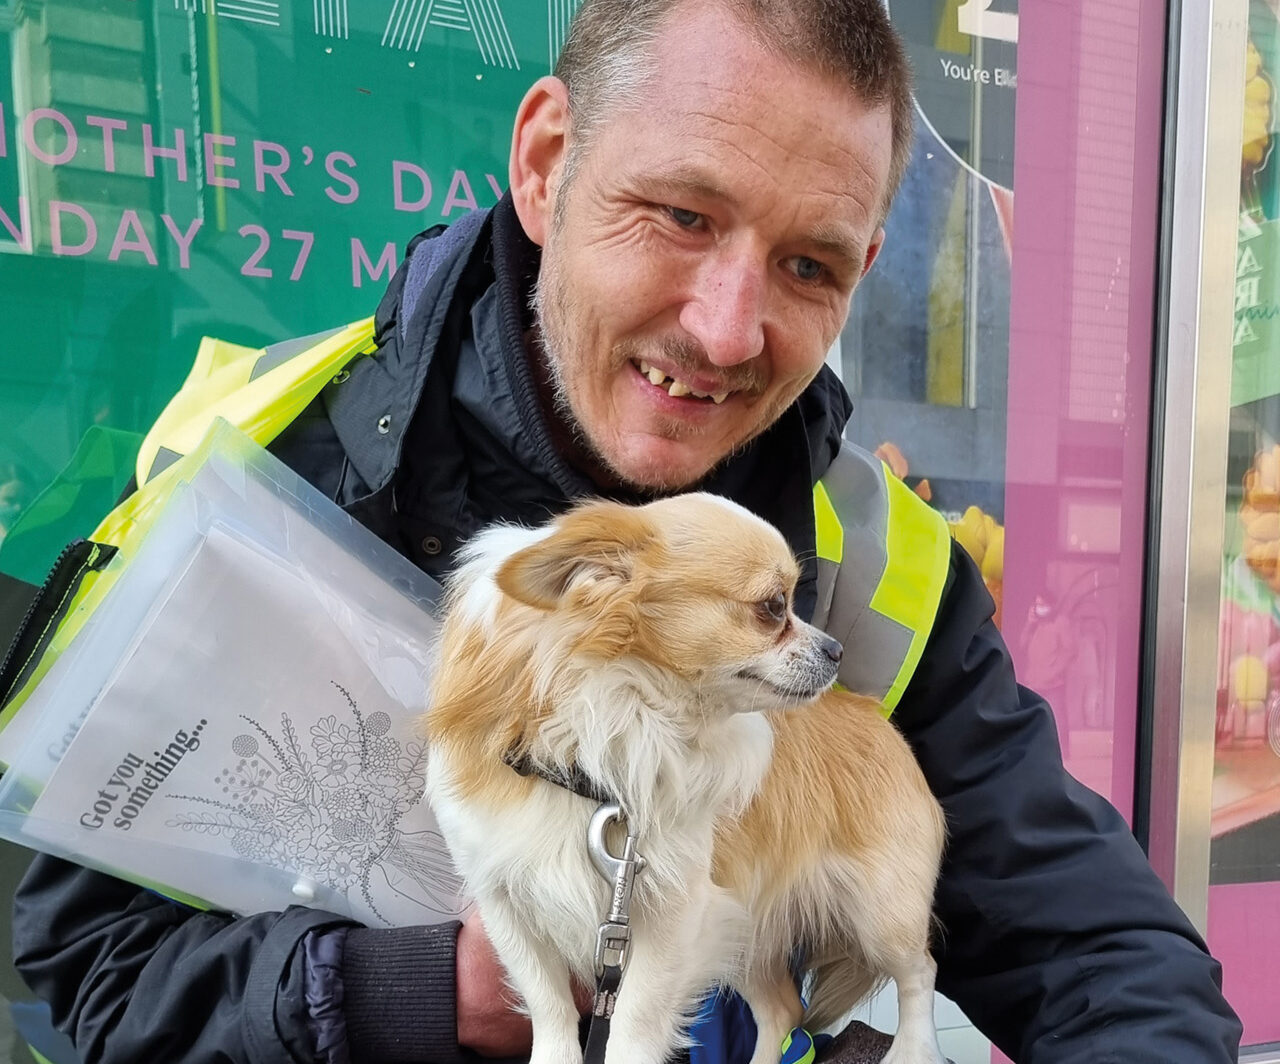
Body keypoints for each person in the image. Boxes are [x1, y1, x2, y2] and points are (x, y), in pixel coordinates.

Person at [11, 0, 1242, 1061]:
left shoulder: (870, 559)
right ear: (546, 163)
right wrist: (428, 992)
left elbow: (1095, 942)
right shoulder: (276, 473)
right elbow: (88, 964)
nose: (723, 328)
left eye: (808, 265)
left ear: (865, 269)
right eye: (680, 215)